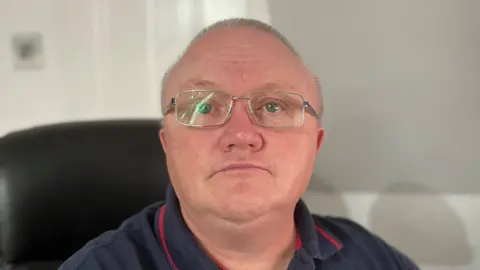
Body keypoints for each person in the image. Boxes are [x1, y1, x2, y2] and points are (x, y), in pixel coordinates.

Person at [60, 18, 419, 270]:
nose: (241, 135)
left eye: (274, 106)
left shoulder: (376, 259)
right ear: (167, 143)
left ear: (316, 145)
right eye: (204, 106)